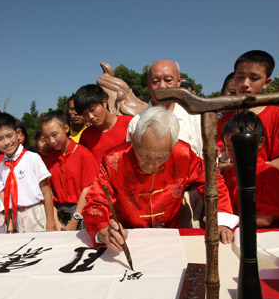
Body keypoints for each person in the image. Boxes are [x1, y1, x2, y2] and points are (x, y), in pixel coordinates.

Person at [83, 107, 237, 250]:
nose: (152, 164)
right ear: (132, 139)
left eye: (161, 158)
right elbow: (96, 201)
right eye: (145, 155)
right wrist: (103, 229)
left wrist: (221, 220)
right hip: (128, 237)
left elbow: (212, 181)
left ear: (172, 146)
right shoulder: (114, 161)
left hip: (170, 236)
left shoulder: (182, 155)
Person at [222, 112, 279, 228]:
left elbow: (265, 219)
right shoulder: (229, 174)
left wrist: (228, 223)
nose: (235, 153)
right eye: (229, 149)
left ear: (260, 142)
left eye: (241, 147)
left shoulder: (269, 173)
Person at [0, 113, 56, 233]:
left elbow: (46, 192)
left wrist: (50, 224)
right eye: (0, 139)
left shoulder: (32, 158)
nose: (6, 142)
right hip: (14, 217)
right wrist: (9, 226)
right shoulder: (0, 166)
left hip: (34, 213)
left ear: (18, 133)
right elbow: (4, 198)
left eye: (9, 136)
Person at [232, 50, 279, 174]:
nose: (245, 84)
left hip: (269, 189)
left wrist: (238, 170)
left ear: (267, 82)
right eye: (240, 77)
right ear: (234, 78)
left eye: (254, 78)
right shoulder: (225, 121)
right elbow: (219, 163)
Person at [127, 59, 203, 157]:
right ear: (148, 84)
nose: (162, 86)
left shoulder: (195, 118)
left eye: (168, 80)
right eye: (155, 82)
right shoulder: (136, 123)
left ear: (179, 81)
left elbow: (206, 162)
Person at [41, 111, 98, 231]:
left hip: (81, 214)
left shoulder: (83, 154)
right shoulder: (48, 160)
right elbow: (49, 192)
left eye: (55, 134)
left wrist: (74, 221)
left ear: (66, 128)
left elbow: (88, 188)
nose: (51, 141)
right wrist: (55, 221)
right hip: (59, 217)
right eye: (46, 137)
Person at [74, 84, 132, 164]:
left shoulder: (130, 124)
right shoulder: (86, 136)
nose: (90, 117)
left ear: (104, 102)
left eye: (92, 109)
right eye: (84, 114)